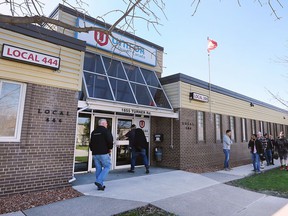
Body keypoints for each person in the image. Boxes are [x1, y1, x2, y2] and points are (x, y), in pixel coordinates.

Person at [89, 119, 113, 191]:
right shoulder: (106, 131)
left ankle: (100, 186)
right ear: (102, 123)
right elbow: (110, 141)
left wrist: (92, 149)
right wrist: (110, 148)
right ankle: (99, 181)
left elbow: (91, 143)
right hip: (103, 153)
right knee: (107, 166)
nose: (107, 125)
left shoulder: (93, 132)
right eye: (106, 123)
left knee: (98, 169)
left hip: (95, 153)